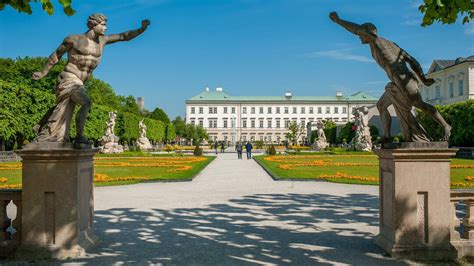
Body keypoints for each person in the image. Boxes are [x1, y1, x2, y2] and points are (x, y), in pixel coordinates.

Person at [329, 12, 451, 142]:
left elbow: (357, 29)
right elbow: (412, 60)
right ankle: (387, 137)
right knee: (381, 106)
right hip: (398, 79)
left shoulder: (377, 41)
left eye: (361, 34)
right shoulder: (390, 44)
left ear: (368, 32)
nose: (359, 37)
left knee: (419, 104)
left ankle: (446, 126)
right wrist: (423, 79)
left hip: (402, 78)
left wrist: (338, 20)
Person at [32, 13, 150, 144]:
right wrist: (43, 72)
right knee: (86, 102)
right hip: (68, 77)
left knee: (64, 107)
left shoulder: (102, 41)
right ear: (94, 24)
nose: (106, 28)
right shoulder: (74, 39)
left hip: (80, 82)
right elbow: (56, 55)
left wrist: (141, 29)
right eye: (103, 25)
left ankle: (41, 126)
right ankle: (79, 137)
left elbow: (123, 36)